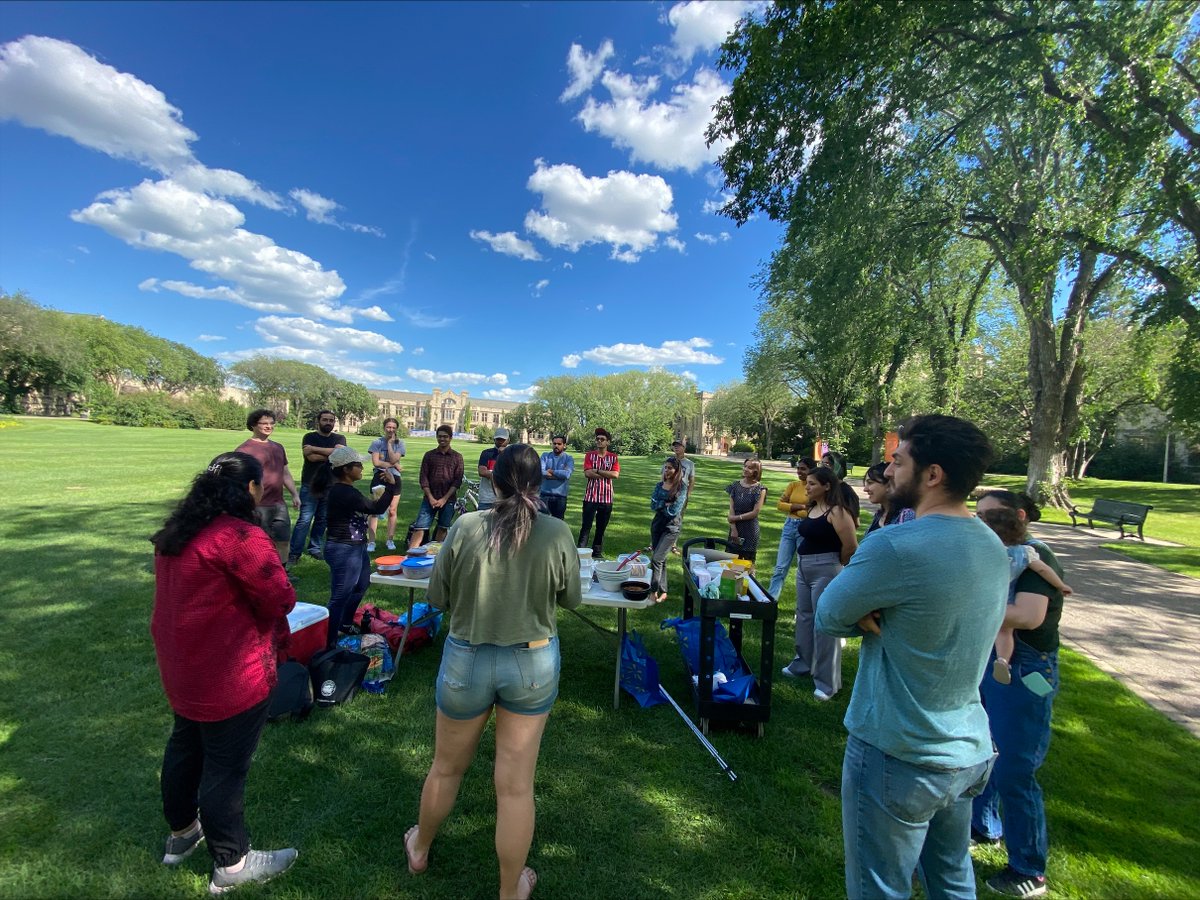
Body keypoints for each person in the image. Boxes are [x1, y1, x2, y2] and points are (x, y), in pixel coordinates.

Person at [813, 415, 1009, 900]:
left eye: (898, 461)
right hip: (967, 751)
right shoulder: (991, 542)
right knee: (954, 882)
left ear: (933, 474)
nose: (890, 469)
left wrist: (862, 610)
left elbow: (829, 615)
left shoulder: (895, 545)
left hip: (898, 752)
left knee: (879, 889)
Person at [404, 444, 582, 900]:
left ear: (493, 480)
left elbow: (437, 598)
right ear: (540, 484)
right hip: (532, 663)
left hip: (467, 659)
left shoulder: (464, 527)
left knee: (445, 768)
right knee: (515, 788)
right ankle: (509, 890)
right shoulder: (558, 532)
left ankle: (420, 848)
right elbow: (571, 599)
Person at [150, 451, 299, 894]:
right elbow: (280, 598)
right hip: (228, 669)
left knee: (185, 747)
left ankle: (182, 834)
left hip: (183, 665)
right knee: (225, 766)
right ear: (250, 489)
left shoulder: (178, 532)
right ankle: (231, 863)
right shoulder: (239, 537)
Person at [971, 490, 1067, 899]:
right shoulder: (993, 551)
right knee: (985, 747)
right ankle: (984, 826)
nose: (981, 523)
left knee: (1015, 767)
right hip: (994, 657)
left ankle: (1029, 869)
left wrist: (966, 605)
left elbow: (1028, 616)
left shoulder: (1031, 553)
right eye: (977, 515)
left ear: (1020, 516)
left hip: (1027, 669)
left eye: (990, 515)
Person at [780, 466, 859, 700]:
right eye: (808, 483)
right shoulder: (813, 507)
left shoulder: (837, 511)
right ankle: (802, 664)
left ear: (827, 486)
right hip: (804, 566)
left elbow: (851, 545)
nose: (807, 487)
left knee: (824, 623)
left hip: (826, 568)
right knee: (803, 616)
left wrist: (836, 564)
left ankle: (827, 682)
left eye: (813, 483)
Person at [978, 504, 1072, 685]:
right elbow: (1044, 570)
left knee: (994, 630)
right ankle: (1003, 660)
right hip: (1007, 596)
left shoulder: (985, 550)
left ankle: (993, 660)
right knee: (1005, 632)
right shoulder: (1024, 553)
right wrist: (1061, 585)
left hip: (986, 594)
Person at [313, 445, 397, 647]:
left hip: (355, 547)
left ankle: (345, 623)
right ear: (346, 469)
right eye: (358, 465)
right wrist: (391, 488)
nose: (362, 468)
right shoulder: (342, 492)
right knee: (339, 596)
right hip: (343, 549)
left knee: (361, 585)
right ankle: (329, 641)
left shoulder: (347, 490)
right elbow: (375, 508)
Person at [236, 409, 300, 563]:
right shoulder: (244, 450)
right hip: (258, 505)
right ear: (253, 425)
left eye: (271, 423)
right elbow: (240, 479)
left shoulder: (278, 447)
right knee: (260, 543)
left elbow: (284, 472)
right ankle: (262, 573)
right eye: (264, 423)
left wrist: (294, 494)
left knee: (283, 540)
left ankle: (282, 573)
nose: (269, 426)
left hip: (279, 504)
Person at [287, 409, 346, 567]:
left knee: (322, 520)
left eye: (331, 420)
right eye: (325, 420)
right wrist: (331, 454)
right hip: (311, 484)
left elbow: (341, 454)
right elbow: (310, 457)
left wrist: (316, 449)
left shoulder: (339, 437)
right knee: (305, 520)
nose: (328, 423)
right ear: (318, 421)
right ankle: (294, 553)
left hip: (331, 484)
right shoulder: (309, 437)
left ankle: (314, 547)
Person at [410, 424, 464, 549]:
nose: (442, 439)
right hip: (429, 498)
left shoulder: (457, 457)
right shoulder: (429, 455)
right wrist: (430, 497)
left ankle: (435, 556)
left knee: (443, 528)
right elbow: (423, 478)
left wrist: (444, 499)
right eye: (439, 436)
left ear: (450, 438)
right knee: (420, 527)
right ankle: (410, 555)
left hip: (448, 499)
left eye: (445, 437)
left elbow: (457, 481)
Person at [767, 457, 814, 599]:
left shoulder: (812, 487)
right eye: (798, 468)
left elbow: (811, 512)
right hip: (789, 527)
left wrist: (796, 509)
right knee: (780, 567)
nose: (799, 471)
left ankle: (804, 603)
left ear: (811, 470)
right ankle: (771, 599)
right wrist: (799, 507)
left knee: (802, 568)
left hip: (804, 529)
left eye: (803, 469)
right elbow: (780, 505)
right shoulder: (793, 485)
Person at [649, 457, 689, 603]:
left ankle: (653, 591)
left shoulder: (681, 488)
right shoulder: (659, 485)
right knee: (661, 559)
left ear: (677, 470)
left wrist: (663, 505)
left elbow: (674, 510)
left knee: (656, 558)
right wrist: (665, 503)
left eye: (670, 468)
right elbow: (653, 505)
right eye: (665, 467)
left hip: (672, 528)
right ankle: (664, 591)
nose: (667, 470)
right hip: (657, 526)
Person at [577, 427, 620, 560]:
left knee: (601, 527)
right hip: (591, 496)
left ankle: (596, 551)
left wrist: (597, 470)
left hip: (606, 498)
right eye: (598, 439)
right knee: (586, 525)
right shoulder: (590, 455)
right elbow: (587, 473)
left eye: (602, 439)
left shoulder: (613, 457)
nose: (599, 441)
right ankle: (581, 550)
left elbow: (615, 474)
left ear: (608, 442)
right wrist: (605, 474)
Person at [367, 417, 406, 552]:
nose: (391, 430)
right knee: (375, 511)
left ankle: (390, 540)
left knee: (393, 510)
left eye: (393, 427)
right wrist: (395, 465)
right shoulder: (376, 442)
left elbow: (395, 457)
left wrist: (389, 444)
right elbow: (376, 463)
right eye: (388, 427)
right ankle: (371, 542)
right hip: (380, 477)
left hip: (395, 478)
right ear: (384, 427)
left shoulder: (400, 444)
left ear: (396, 429)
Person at [725, 458, 768, 563]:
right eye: (745, 466)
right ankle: (732, 580)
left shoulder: (760, 489)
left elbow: (755, 512)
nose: (745, 469)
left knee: (748, 564)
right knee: (731, 562)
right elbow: (732, 508)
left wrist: (735, 518)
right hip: (735, 527)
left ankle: (749, 579)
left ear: (756, 471)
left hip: (750, 530)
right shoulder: (734, 486)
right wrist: (734, 528)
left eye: (749, 468)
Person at [862, 461, 915, 534]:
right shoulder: (879, 515)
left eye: (870, 483)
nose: (865, 489)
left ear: (889, 484)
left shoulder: (906, 516)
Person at [539, 434, 574, 520]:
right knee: (541, 522)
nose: (556, 446)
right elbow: (539, 471)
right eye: (554, 443)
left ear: (564, 445)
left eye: (559, 444)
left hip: (560, 497)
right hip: (544, 495)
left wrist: (551, 471)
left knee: (558, 523)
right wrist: (559, 475)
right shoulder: (545, 456)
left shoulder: (568, 458)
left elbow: (567, 474)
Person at [822, 449, 861, 524]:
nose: (822, 468)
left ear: (838, 467)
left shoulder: (847, 492)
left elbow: (855, 522)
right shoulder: (822, 487)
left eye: (827, 464)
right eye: (822, 464)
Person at [476, 427, 510, 511]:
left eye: (503, 439)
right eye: (498, 439)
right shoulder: (487, 453)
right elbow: (482, 472)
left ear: (508, 440)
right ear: (494, 440)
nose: (500, 442)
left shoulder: (512, 455)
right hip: (487, 499)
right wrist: (500, 475)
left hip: (506, 499)